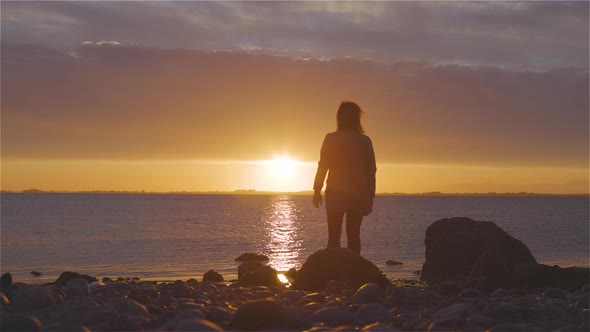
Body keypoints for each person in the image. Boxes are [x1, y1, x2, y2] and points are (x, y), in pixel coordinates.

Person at [312, 101, 376, 255]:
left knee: (333, 237)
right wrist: (371, 194)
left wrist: (317, 189)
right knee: (354, 236)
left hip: (336, 192)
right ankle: (353, 272)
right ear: (357, 118)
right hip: (359, 193)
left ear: (339, 118)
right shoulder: (364, 141)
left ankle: (333, 272)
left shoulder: (331, 138)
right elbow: (371, 170)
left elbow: (323, 166)